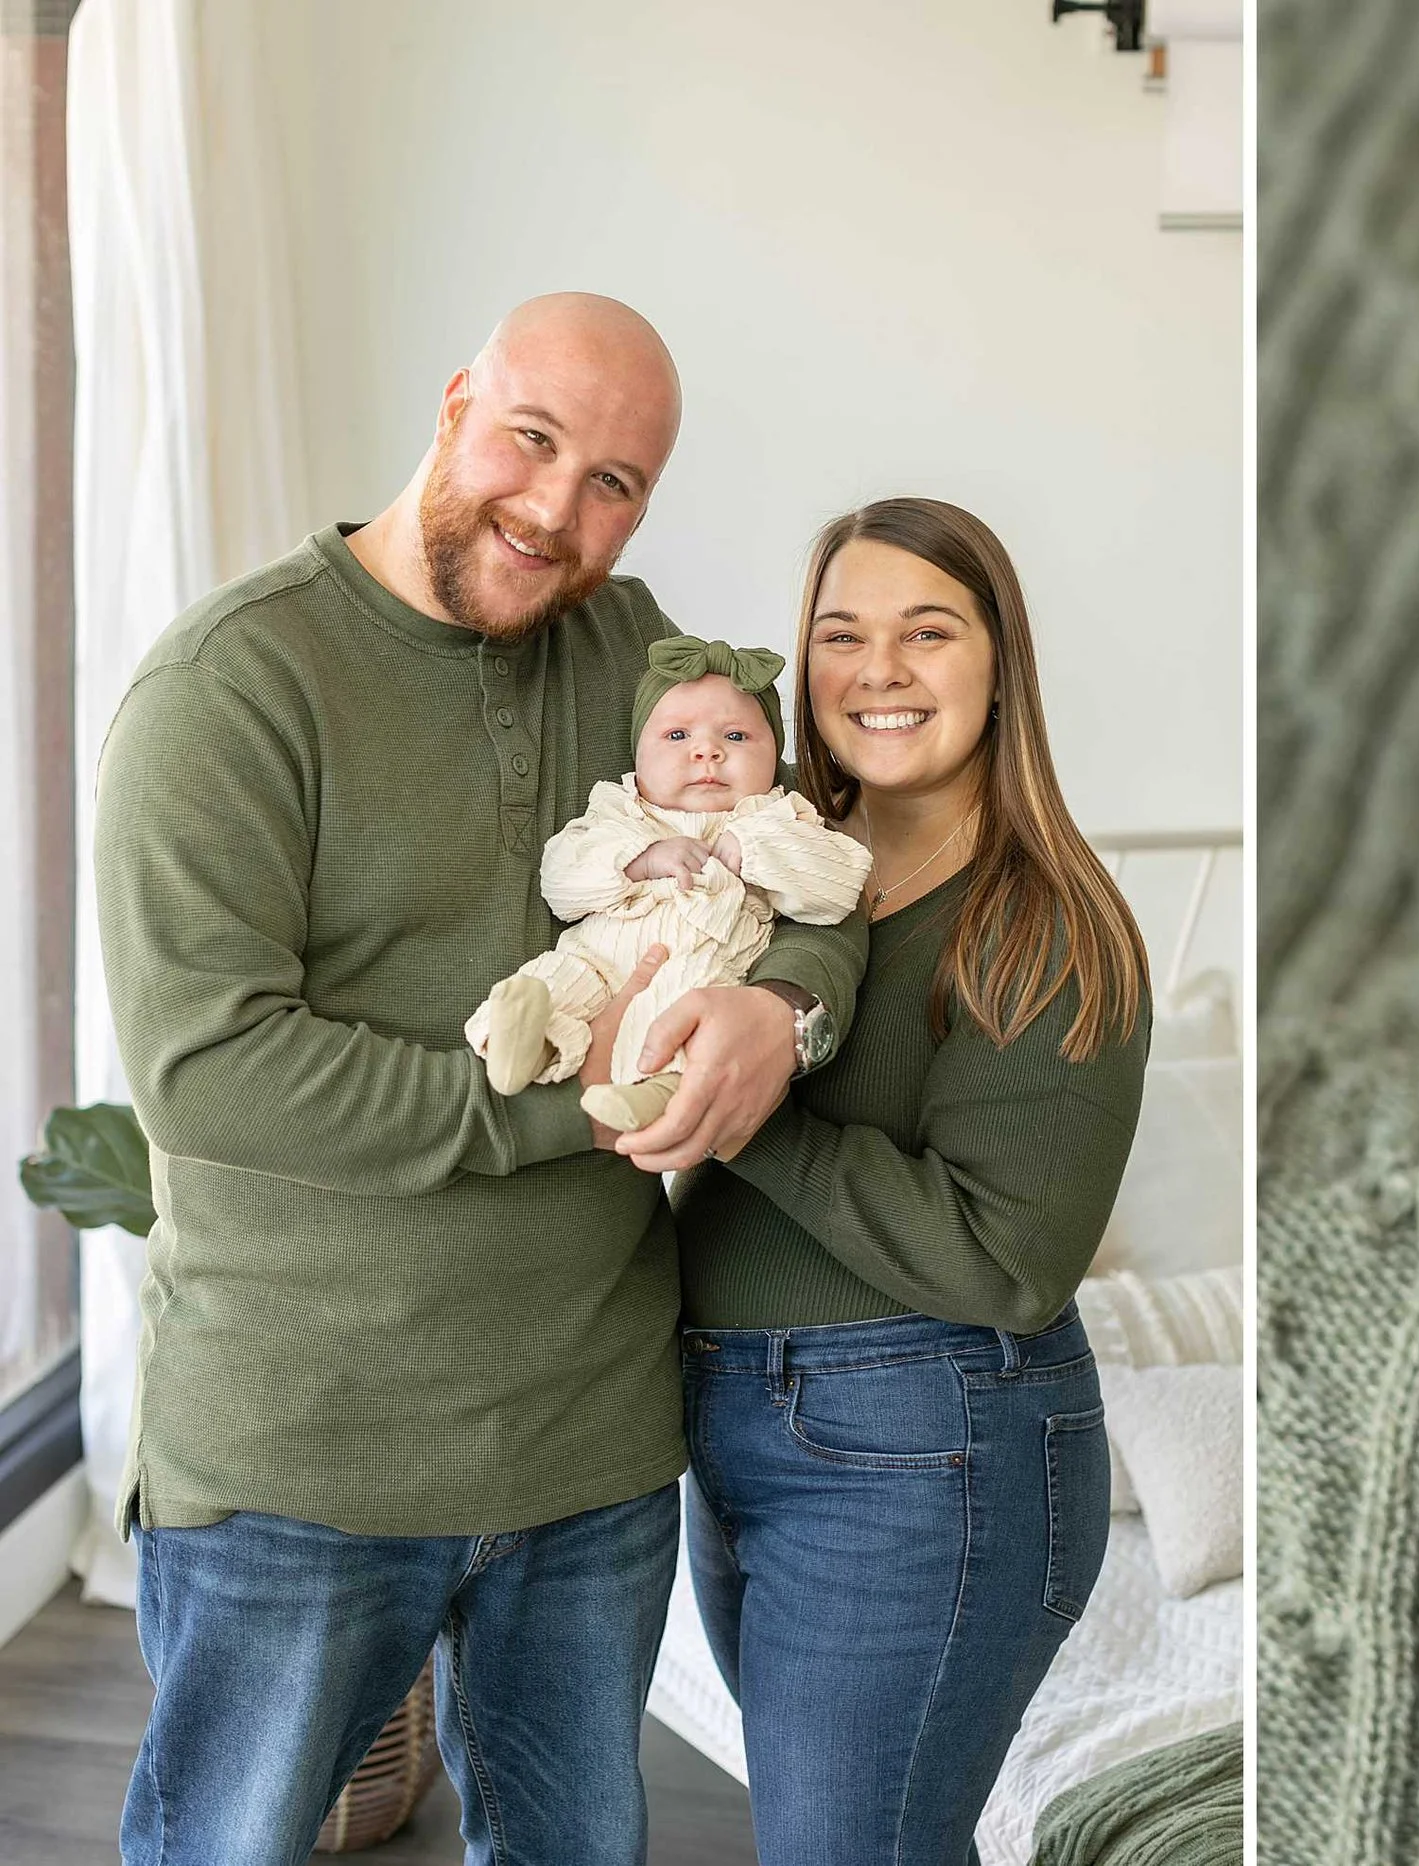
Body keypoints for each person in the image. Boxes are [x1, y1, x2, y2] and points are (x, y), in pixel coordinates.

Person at [94, 293, 865, 1864]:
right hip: (301, 1458)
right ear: (456, 403)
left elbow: (805, 867)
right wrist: (565, 1108)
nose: (556, 507)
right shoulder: (229, 686)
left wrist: (785, 1007)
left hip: (589, 1449)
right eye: (532, 438)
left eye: (614, 481)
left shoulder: (638, 656)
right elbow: (209, 1071)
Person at [656, 498, 1149, 1863]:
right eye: (841, 634)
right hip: (736, 1419)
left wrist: (745, 1107)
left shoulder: (1045, 922)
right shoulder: (772, 865)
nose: (878, 670)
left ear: (1000, 664)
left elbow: (1009, 1260)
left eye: (928, 633)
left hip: (927, 1445)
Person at [470, 637, 870, 1132]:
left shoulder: (778, 817)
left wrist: (756, 850)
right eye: (677, 736)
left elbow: (840, 886)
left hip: (704, 964)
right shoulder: (620, 810)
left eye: (737, 736)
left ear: (775, 758)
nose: (707, 751)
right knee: (552, 980)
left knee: (687, 1003)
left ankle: (653, 1093)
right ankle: (520, 1041)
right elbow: (559, 880)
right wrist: (638, 859)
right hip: (596, 959)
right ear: (637, 755)